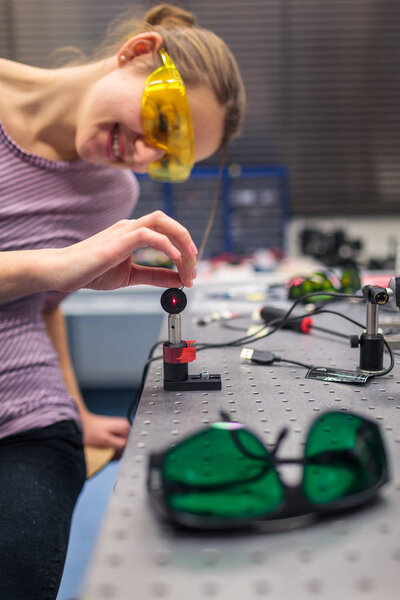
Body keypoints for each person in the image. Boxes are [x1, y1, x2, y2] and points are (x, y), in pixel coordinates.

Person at [0, 3, 245, 598]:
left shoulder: (112, 190)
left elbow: (45, 306)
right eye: (163, 123)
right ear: (138, 53)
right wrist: (56, 265)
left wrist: (76, 411)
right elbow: (48, 277)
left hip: (26, 420)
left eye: (172, 156)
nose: (143, 155)